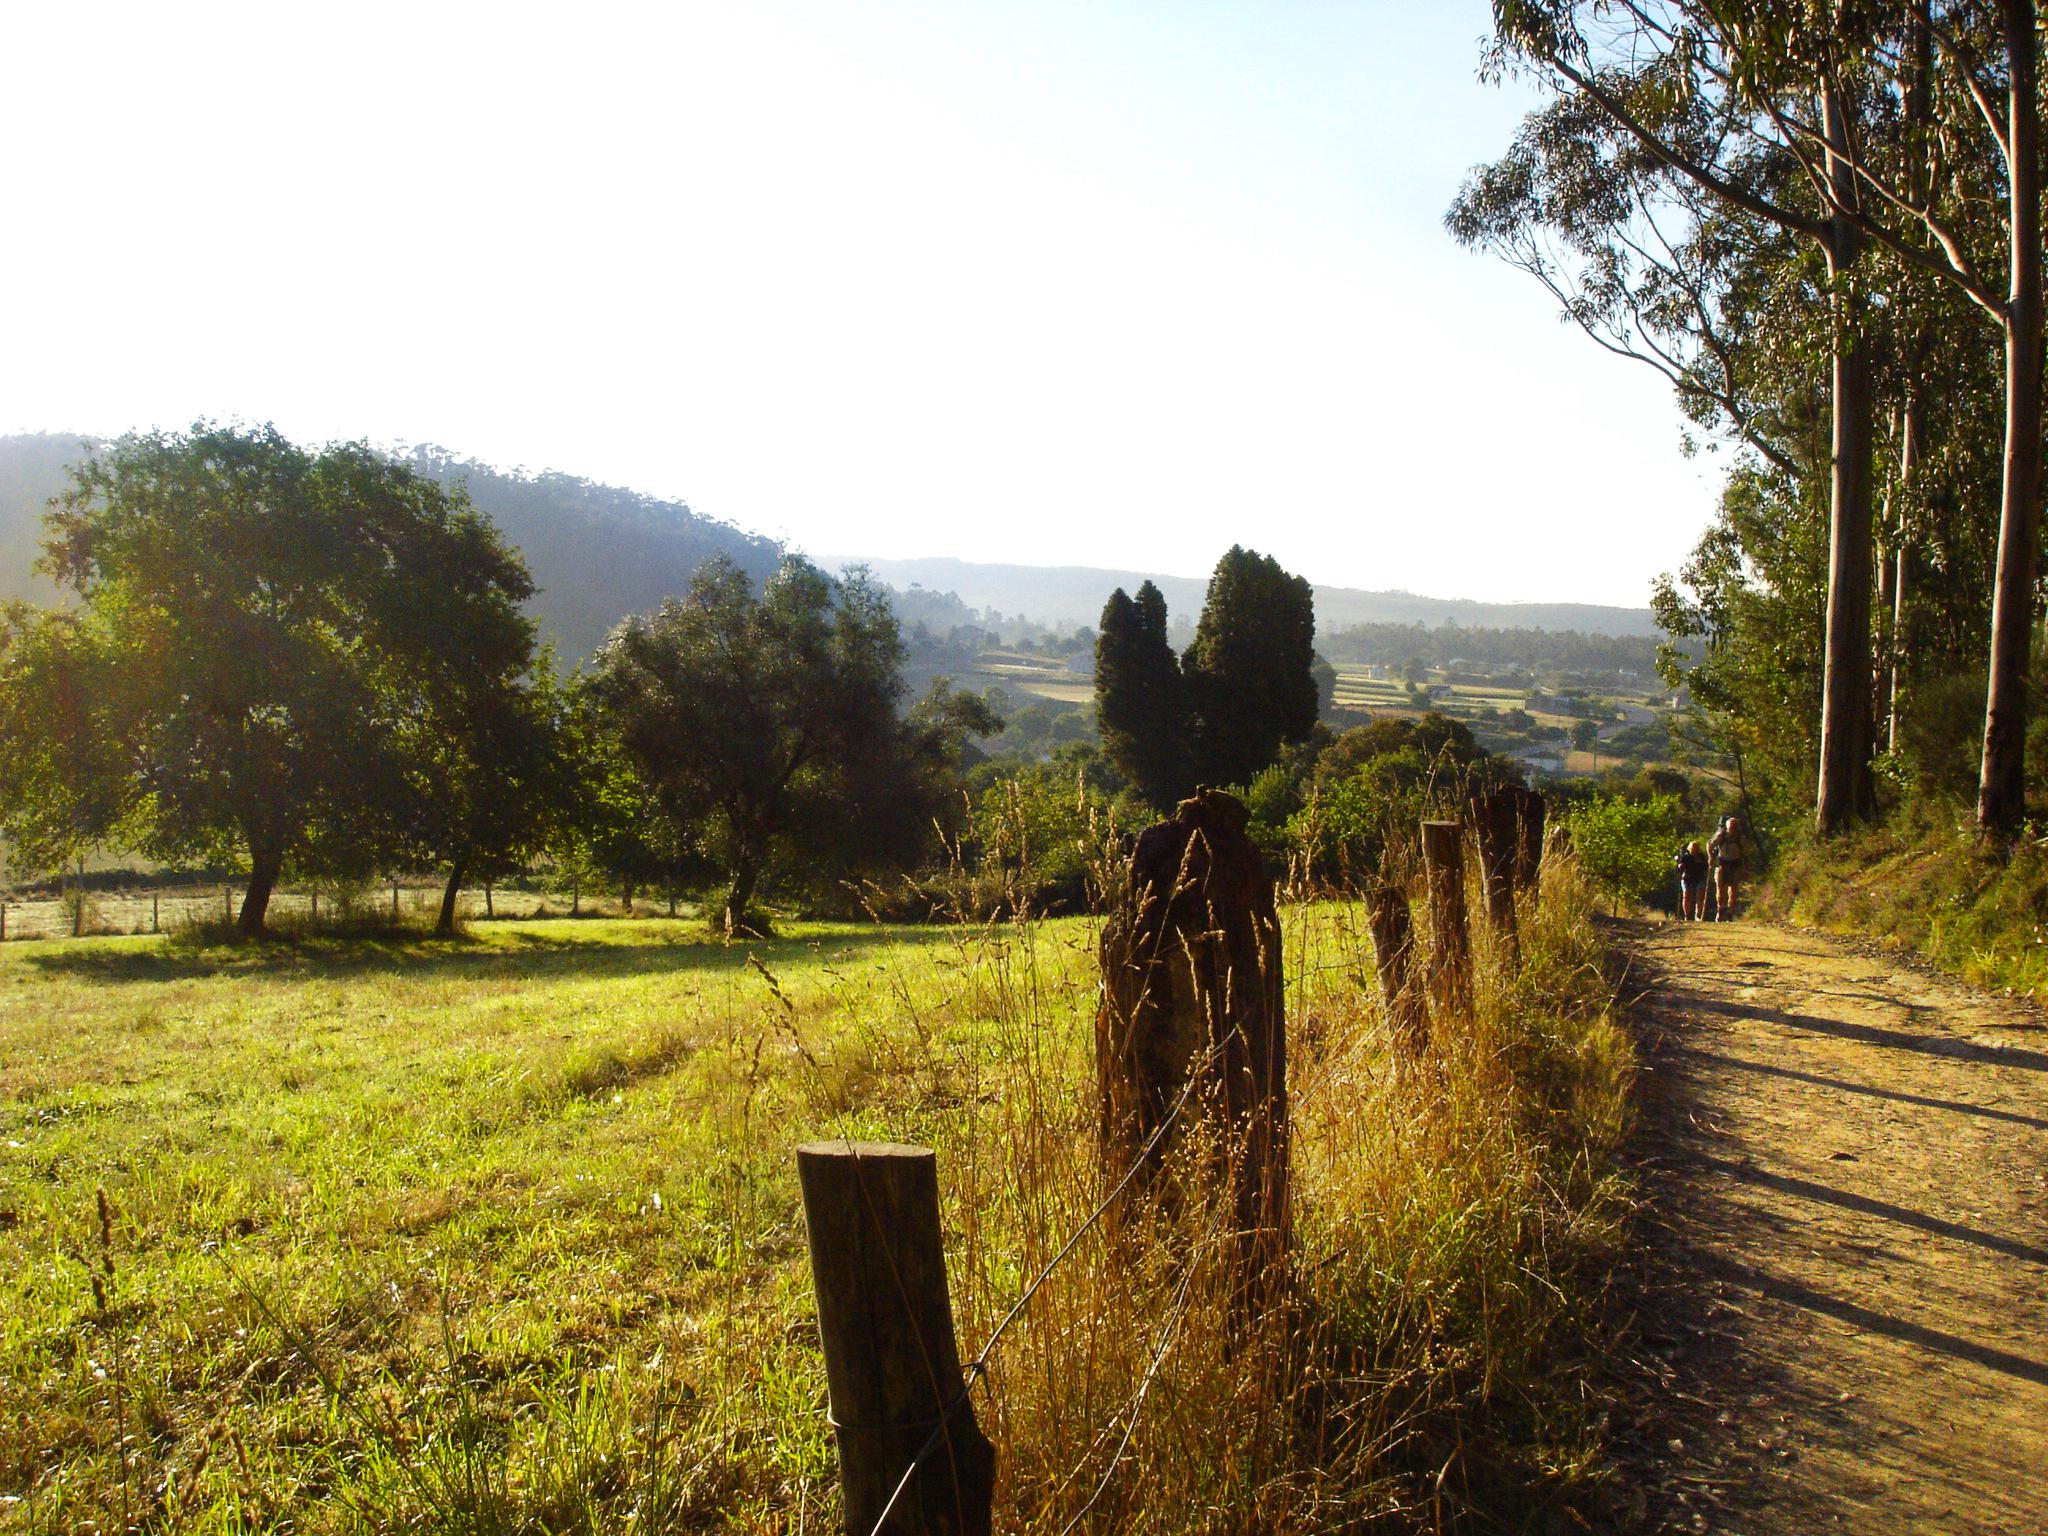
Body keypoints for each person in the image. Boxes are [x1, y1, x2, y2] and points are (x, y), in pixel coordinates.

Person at [1707, 815, 1750, 920]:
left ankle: (1730, 911)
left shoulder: (1740, 837)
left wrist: (1746, 864)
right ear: (1727, 827)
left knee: (1733, 889)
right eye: (1731, 828)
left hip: (1735, 865)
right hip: (1722, 864)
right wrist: (1711, 858)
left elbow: (1747, 850)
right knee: (1720, 888)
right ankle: (1720, 910)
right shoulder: (1721, 835)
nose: (1733, 830)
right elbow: (1710, 845)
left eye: (1734, 827)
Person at [1674, 840, 1709, 920]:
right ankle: (1687, 915)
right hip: (1687, 879)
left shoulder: (1702, 857)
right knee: (1687, 895)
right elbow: (1679, 867)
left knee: (1700, 896)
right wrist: (1680, 866)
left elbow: (1706, 867)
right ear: (1690, 849)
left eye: (1696, 848)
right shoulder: (1685, 857)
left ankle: (1698, 915)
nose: (1695, 850)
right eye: (1693, 848)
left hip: (1699, 879)